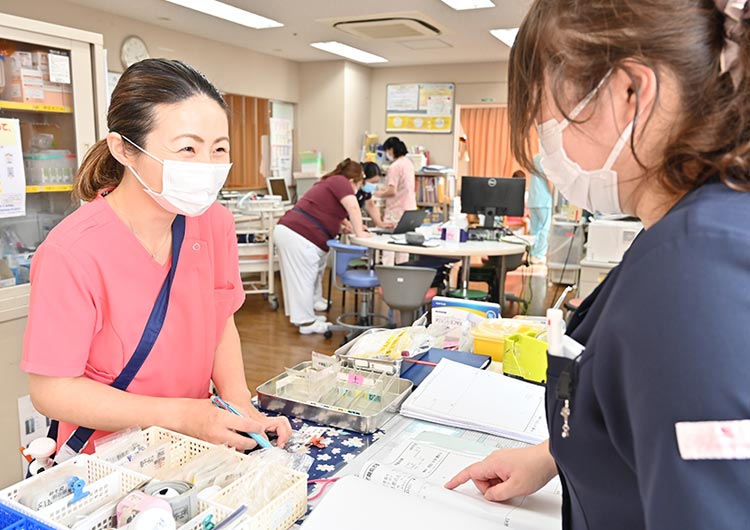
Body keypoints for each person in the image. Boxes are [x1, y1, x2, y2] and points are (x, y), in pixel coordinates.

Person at [446, 1, 750, 529]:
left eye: (544, 106)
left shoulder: (693, 276)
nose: (543, 135)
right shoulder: (685, 230)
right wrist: (553, 456)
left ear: (631, 93)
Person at [21, 59, 291, 459]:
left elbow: (220, 324)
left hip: (197, 440)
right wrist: (182, 415)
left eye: (219, 149)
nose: (207, 166)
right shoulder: (71, 252)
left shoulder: (213, 223)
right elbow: (52, 390)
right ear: (124, 149)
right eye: (187, 148)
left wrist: (241, 411)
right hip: (107, 457)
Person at [274, 159, 370, 334]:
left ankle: (308, 314)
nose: (358, 190)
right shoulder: (341, 181)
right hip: (298, 235)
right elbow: (353, 207)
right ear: (352, 181)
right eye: (359, 184)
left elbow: (327, 212)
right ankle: (306, 323)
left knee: (306, 279)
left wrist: (344, 225)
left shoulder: (331, 182)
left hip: (296, 234)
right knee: (302, 280)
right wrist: (360, 232)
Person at [373, 137, 417, 265]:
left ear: (391, 150)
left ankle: (388, 280)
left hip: (396, 211)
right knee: (403, 248)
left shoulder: (395, 166)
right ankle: (401, 278)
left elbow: (392, 191)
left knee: (389, 248)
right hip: (409, 210)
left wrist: (377, 193)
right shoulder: (408, 163)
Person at [527, 154, 553, 264]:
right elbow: (549, 179)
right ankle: (539, 255)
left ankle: (533, 254)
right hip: (544, 200)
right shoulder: (547, 159)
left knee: (534, 229)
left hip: (533, 198)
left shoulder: (535, 158)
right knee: (545, 228)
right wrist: (553, 194)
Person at [357, 161, 392, 229]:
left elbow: (370, 205)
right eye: (372, 182)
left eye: (376, 182)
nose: (374, 185)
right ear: (363, 179)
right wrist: (357, 226)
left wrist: (379, 223)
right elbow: (353, 209)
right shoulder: (353, 190)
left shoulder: (365, 191)